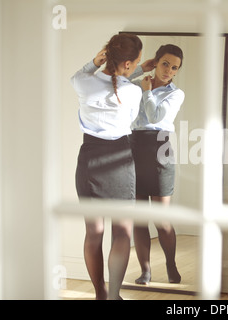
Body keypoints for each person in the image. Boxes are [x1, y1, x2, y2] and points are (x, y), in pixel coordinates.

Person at [71, 33, 143, 300]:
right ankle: (114, 295)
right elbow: (129, 113)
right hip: (119, 160)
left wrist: (94, 62)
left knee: (93, 232)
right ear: (126, 64)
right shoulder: (133, 92)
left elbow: (81, 77)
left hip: (89, 159)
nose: (135, 66)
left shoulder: (83, 83)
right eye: (135, 63)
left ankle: (100, 293)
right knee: (122, 231)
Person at [128, 44, 185, 285]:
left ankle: (170, 265)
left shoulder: (176, 93)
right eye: (164, 63)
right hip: (134, 146)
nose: (169, 70)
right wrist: (142, 68)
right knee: (140, 217)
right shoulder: (137, 85)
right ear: (156, 61)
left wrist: (147, 91)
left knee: (161, 219)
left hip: (160, 148)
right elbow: (116, 80)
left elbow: (155, 117)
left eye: (174, 68)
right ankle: (146, 271)